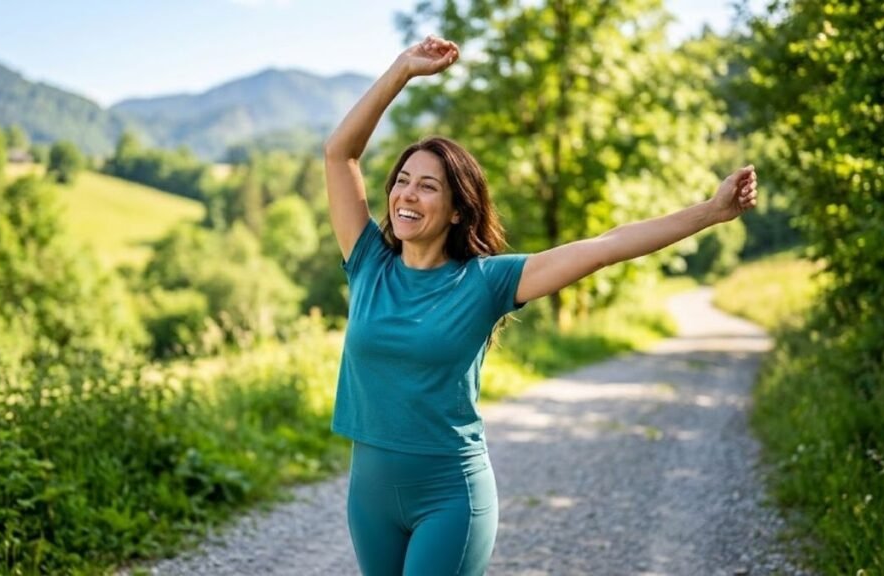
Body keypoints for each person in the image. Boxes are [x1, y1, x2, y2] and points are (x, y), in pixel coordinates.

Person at [323, 34, 758, 576]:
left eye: (428, 187)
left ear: (459, 211)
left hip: (448, 496)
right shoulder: (368, 263)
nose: (407, 195)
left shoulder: (486, 282)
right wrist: (401, 71)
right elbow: (340, 154)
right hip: (369, 495)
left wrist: (710, 212)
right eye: (402, 182)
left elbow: (603, 248)